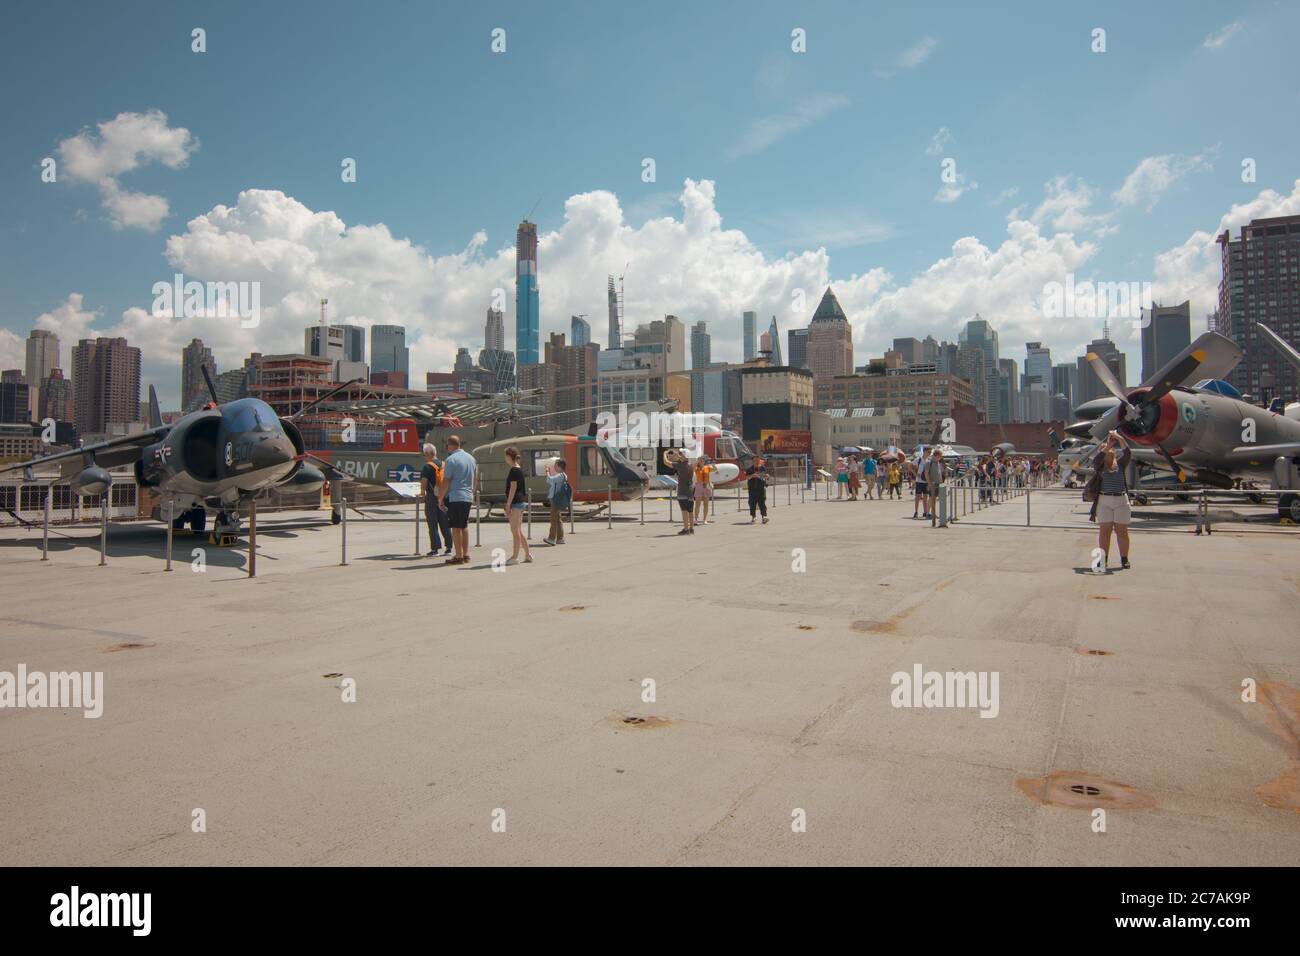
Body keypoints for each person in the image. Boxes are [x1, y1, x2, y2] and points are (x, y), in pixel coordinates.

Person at [1088, 430, 1132, 570]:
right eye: (1105, 449)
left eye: (1111, 448)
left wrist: (1119, 438)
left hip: (1121, 500)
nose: (1109, 449)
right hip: (1104, 500)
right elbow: (1096, 460)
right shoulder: (1100, 467)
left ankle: (1124, 559)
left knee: (1121, 530)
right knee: (1105, 530)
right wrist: (1107, 445)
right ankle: (1103, 559)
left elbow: (1128, 453)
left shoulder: (1121, 464)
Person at [436, 434, 477, 565]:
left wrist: (440, 498)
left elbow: (446, 480)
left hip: (456, 496)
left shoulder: (451, 459)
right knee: (464, 526)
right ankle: (466, 554)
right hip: (467, 496)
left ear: (450, 445)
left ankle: (458, 556)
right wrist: (472, 493)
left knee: (455, 527)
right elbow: (475, 478)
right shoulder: (471, 458)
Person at [419, 443, 451, 556]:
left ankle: (435, 549)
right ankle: (449, 548)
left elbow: (424, 481)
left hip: (432, 497)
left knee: (432, 523)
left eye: (424, 454)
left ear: (428, 454)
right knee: (445, 522)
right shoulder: (444, 464)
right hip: (444, 496)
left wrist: (422, 492)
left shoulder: (427, 466)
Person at [503, 446, 531, 565]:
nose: (505, 458)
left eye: (505, 456)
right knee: (518, 530)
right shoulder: (518, 469)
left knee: (515, 531)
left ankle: (515, 557)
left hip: (515, 503)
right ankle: (527, 554)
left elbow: (513, 487)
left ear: (509, 457)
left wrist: (508, 504)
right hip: (520, 502)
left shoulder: (514, 470)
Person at [544, 457, 570, 546]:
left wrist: (547, 471)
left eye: (555, 465)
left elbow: (550, 480)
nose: (554, 467)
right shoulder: (563, 475)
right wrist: (549, 474)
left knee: (553, 519)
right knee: (558, 519)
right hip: (558, 499)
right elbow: (550, 481)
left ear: (559, 466)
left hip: (555, 499)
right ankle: (560, 538)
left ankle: (551, 538)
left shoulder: (560, 475)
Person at [671, 449, 695, 534]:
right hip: (690, 491)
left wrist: (665, 454)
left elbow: (666, 462)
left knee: (684, 511)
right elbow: (683, 459)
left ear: (685, 456)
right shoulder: (690, 465)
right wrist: (678, 456)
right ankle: (691, 528)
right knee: (690, 511)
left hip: (682, 491)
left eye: (681, 454)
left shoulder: (680, 465)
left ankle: (686, 529)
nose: (680, 455)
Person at [745, 456, 769, 524]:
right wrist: (753, 475)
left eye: (758, 460)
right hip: (752, 489)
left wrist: (766, 476)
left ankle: (764, 517)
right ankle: (753, 517)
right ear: (753, 461)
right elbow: (747, 477)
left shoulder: (762, 468)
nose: (756, 461)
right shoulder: (749, 469)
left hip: (761, 489)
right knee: (752, 503)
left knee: (762, 503)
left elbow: (765, 476)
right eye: (755, 460)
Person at [924, 447, 946, 521]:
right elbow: (926, 473)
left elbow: (940, 474)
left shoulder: (938, 463)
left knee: (934, 499)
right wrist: (929, 483)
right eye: (939, 456)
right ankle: (927, 513)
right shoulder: (929, 463)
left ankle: (933, 513)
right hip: (932, 483)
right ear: (936, 456)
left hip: (938, 483)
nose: (940, 458)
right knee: (931, 499)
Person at [693, 455, 714, 525]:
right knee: (697, 503)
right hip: (699, 485)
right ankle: (695, 519)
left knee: (706, 503)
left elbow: (715, 469)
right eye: (700, 460)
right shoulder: (696, 468)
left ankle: (705, 519)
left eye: (703, 460)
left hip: (706, 485)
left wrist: (713, 464)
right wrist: (697, 461)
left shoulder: (707, 467)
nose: (702, 461)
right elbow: (692, 468)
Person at [913, 450, 929, 518]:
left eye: (930, 452)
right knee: (918, 497)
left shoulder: (928, 461)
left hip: (926, 481)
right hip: (919, 481)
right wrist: (916, 474)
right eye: (928, 452)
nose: (929, 454)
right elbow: (910, 466)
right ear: (924, 452)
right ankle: (916, 512)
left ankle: (925, 512)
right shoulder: (918, 460)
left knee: (925, 497)